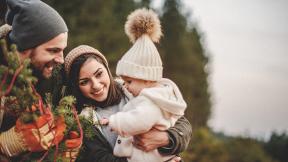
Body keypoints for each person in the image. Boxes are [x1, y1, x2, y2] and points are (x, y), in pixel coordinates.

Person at [64, 44, 191, 162]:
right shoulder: (83, 122)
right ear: (76, 86)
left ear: (107, 69)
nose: (96, 85)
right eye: (84, 82)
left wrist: (165, 139)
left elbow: (182, 125)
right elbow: (102, 158)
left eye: (99, 74)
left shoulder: (134, 89)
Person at [99, 8, 187, 162]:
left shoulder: (151, 101)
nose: (125, 86)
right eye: (124, 81)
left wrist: (114, 121)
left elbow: (139, 120)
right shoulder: (161, 96)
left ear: (146, 79)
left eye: (129, 82)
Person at [0, 0, 77, 161]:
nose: (61, 60)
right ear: (25, 46)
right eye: (53, 50)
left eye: (62, 50)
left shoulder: (32, 76)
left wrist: (56, 151)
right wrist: (10, 143)